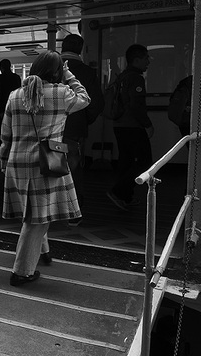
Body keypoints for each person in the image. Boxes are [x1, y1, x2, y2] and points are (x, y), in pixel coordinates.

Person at [1, 51, 90, 286]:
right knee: (37, 218)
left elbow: (6, 134)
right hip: (47, 162)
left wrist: (2, 160)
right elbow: (85, 97)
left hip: (17, 162)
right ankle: (21, 272)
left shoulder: (15, 95)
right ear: (57, 71)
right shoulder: (62, 93)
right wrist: (69, 72)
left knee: (35, 211)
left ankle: (43, 251)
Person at [60, 34, 104, 227]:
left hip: (46, 128)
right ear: (81, 49)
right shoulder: (86, 72)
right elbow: (96, 103)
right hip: (73, 129)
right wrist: (84, 120)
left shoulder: (46, 68)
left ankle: (44, 210)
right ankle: (73, 212)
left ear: (62, 47)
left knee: (47, 166)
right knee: (73, 168)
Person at [107, 44, 153, 211]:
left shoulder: (122, 77)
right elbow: (136, 105)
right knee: (145, 161)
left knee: (125, 161)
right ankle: (119, 192)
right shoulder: (136, 78)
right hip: (132, 126)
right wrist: (147, 124)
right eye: (146, 58)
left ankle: (125, 197)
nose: (149, 61)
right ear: (137, 59)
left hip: (119, 124)